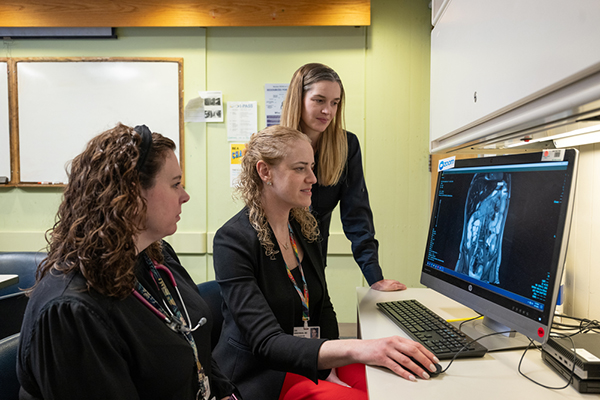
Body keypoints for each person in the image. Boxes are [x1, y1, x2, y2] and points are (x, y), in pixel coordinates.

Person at [212, 126, 439, 400]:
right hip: (262, 374)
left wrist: (329, 364)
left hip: (308, 360)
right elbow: (266, 343)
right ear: (265, 172)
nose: (313, 178)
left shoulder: (304, 229)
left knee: (398, 384)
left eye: (312, 167)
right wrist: (354, 349)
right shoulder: (232, 241)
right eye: (300, 169)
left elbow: (323, 306)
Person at [17, 123, 240, 400]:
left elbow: (194, 348)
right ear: (132, 195)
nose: (185, 196)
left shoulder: (156, 256)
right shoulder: (72, 310)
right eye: (175, 184)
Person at [280, 63, 405, 291]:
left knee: (319, 324)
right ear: (298, 98)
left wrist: (374, 277)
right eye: (319, 100)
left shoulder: (346, 146)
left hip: (315, 260)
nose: (328, 110)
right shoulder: (273, 146)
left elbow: (356, 214)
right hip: (273, 260)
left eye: (334, 103)